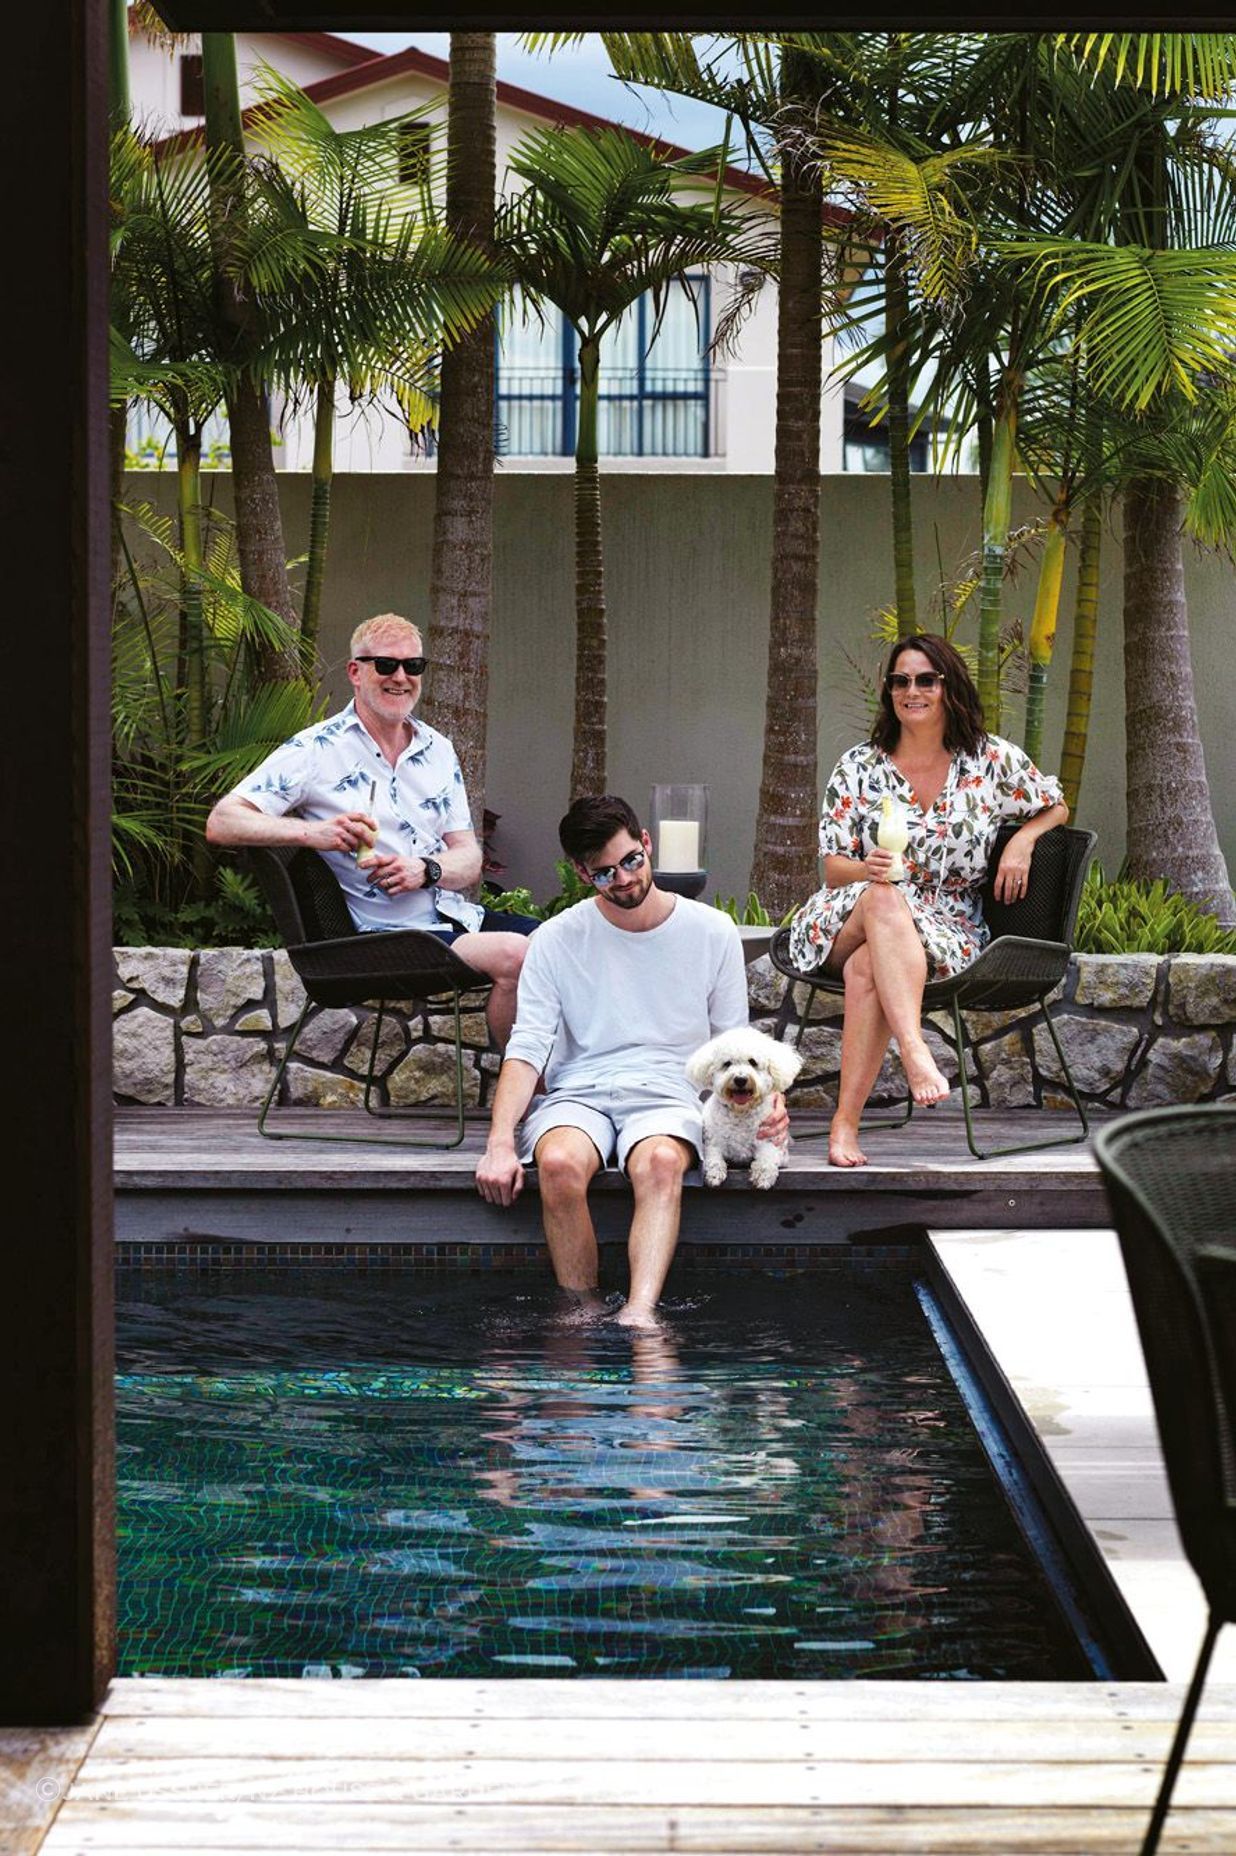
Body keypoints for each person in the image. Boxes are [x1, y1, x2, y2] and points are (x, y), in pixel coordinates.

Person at [475, 795, 789, 1328]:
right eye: (603, 873)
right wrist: (500, 1143)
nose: (622, 879)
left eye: (630, 861)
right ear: (580, 872)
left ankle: (640, 1316)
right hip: (581, 1090)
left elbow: (736, 1040)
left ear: (646, 844)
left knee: (661, 1163)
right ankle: (582, 1312)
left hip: (668, 1091)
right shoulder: (554, 940)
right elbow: (526, 1048)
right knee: (557, 1164)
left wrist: (771, 1102)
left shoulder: (712, 932)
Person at [788, 633, 1068, 1170]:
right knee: (884, 899)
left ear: (948, 687)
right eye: (900, 681)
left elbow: (1054, 805)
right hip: (846, 912)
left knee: (871, 966)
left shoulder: (989, 760)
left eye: (924, 680)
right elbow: (832, 867)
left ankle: (845, 1124)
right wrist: (866, 870)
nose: (911, 691)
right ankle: (917, 1053)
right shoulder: (859, 767)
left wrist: (1022, 839)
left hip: (948, 927)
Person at [205, 613, 536, 1048]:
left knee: (568, 942)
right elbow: (222, 821)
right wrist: (314, 833)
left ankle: (582, 1083)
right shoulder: (316, 749)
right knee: (518, 954)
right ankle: (529, 1098)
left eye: (413, 666)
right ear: (355, 672)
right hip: (382, 939)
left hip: (451, 920)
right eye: (385, 665)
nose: (401, 677)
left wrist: (427, 870)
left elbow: (468, 857)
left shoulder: (438, 749)